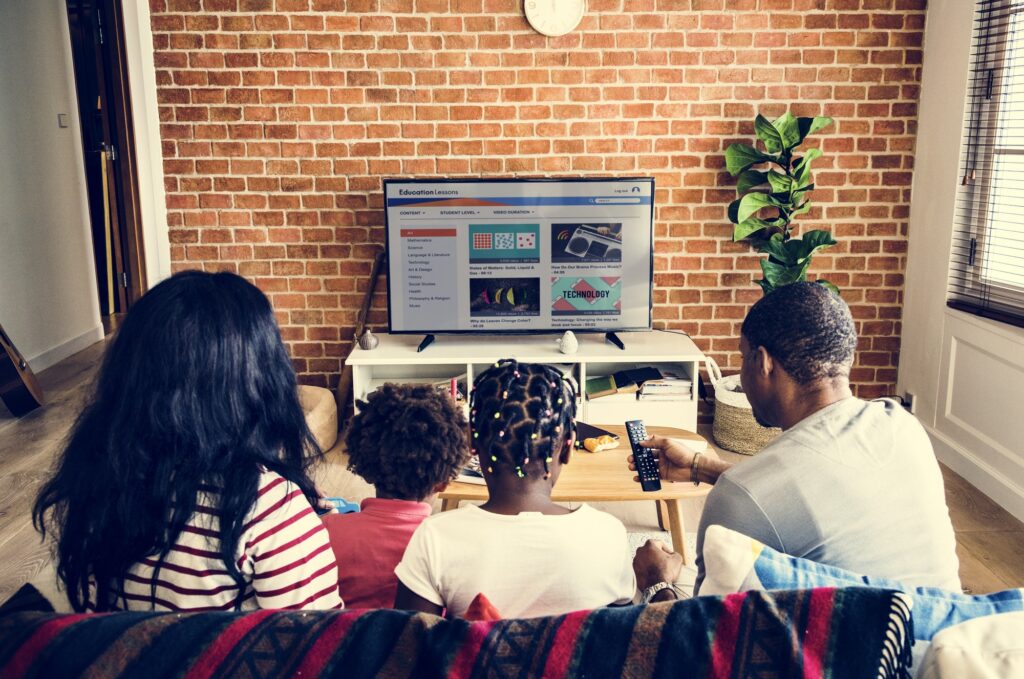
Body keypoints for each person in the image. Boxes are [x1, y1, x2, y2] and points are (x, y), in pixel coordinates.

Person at [33, 271, 343, 612]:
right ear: (262, 380)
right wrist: (297, 532)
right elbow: (318, 649)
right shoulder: (273, 509)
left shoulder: (101, 481)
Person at [630, 282, 960, 598]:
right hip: (951, 636)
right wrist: (702, 466)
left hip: (860, 656)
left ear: (764, 362)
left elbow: (704, 643)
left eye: (744, 357)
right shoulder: (902, 424)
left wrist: (657, 582)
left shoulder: (738, 502)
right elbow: (822, 490)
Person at [394, 360, 636, 618]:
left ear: (472, 441)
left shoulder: (435, 537)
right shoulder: (607, 534)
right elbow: (625, 636)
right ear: (568, 447)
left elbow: (409, 644)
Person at [322, 383, 468, 608]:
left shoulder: (326, 532)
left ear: (365, 469)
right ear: (443, 483)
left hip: (347, 639)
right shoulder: (452, 544)